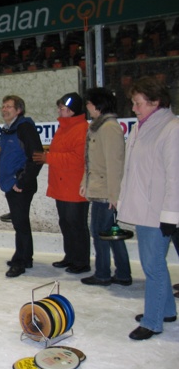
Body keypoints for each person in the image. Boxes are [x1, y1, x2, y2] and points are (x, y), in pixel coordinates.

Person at [117, 76, 179, 340]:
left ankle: (153, 322)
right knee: (155, 265)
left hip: (157, 212)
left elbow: (175, 176)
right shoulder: (142, 127)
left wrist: (170, 215)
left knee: (152, 267)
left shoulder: (171, 128)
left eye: (138, 103)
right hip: (143, 208)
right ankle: (166, 310)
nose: (134, 108)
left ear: (156, 102)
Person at [79, 88, 132, 287]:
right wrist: (85, 182)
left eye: (89, 103)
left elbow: (115, 163)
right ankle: (123, 274)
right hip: (98, 187)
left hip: (105, 193)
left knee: (100, 233)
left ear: (97, 105)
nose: (87, 107)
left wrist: (114, 195)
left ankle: (102, 274)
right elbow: (91, 161)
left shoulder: (109, 127)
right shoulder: (97, 127)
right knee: (111, 233)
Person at [33, 92, 90, 275]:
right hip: (61, 184)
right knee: (65, 223)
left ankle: (81, 261)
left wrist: (48, 157)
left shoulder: (82, 129)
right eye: (59, 107)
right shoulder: (63, 128)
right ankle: (71, 256)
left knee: (76, 224)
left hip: (74, 186)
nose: (59, 110)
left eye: (63, 108)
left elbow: (77, 159)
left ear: (73, 111)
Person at [0, 95, 44, 277]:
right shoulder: (9, 129)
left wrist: (21, 181)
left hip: (20, 185)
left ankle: (20, 262)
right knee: (20, 222)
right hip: (11, 184)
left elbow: (37, 157)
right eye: (3, 106)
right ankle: (25, 256)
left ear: (19, 110)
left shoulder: (24, 128)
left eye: (9, 106)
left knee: (20, 223)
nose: (4, 109)